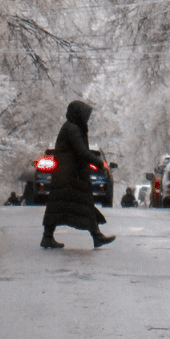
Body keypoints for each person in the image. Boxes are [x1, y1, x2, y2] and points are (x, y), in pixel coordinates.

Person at [41, 100, 115, 249]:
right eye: (85, 115)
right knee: (82, 204)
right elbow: (81, 151)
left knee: (60, 206)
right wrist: (100, 164)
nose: (87, 119)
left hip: (67, 175)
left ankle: (48, 237)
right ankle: (96, 236)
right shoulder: (72, 129)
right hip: (70, 176)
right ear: (78, 114)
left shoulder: (70, 127)